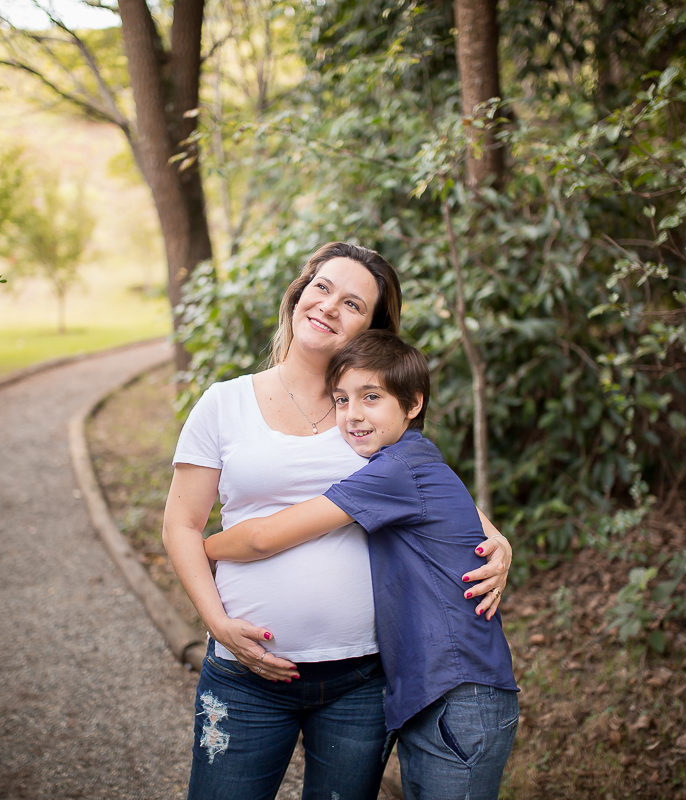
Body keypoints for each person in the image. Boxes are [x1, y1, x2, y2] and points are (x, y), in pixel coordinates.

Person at [162, 242, 512, 800]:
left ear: (371, 329)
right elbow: (181, 525)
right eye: (322, 288)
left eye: (352, 303)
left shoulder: (369, 412)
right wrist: (219, 623)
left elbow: (438, 496)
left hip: (360, 681)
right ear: (300, 294)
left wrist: (499, 544)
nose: (328, 306)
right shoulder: (224, 404)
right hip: (245, 674)